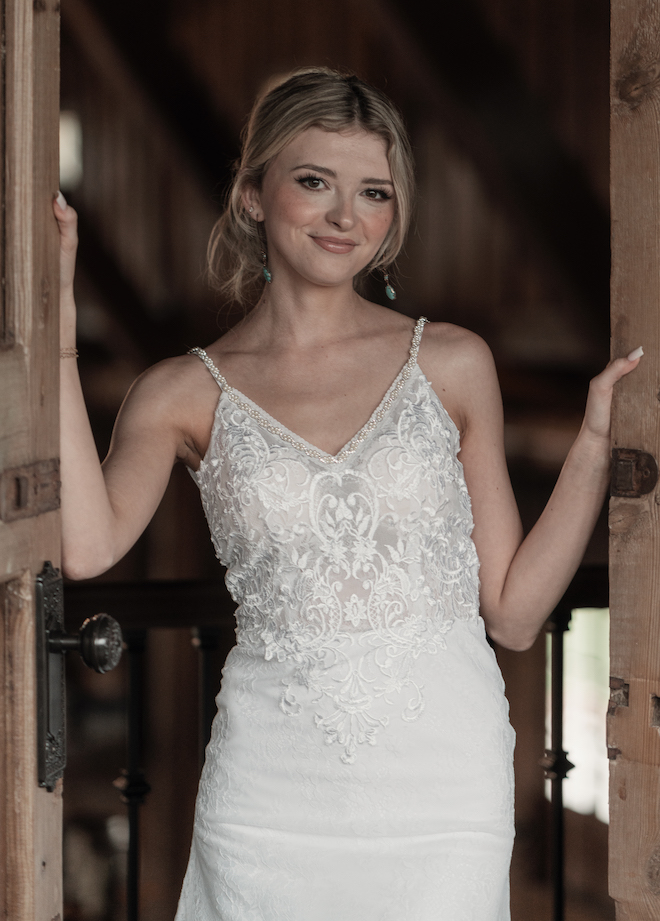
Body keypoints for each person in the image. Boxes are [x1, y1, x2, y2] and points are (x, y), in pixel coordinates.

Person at [54, 67, 641, 921]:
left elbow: (514, 613)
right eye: (314, 182)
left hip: (442, 790)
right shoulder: (181, 392)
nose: (345, 217)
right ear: (253, 193)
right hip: (270, 794)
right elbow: (85, 543)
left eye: (374, 192)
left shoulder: (453, 362)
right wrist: (57, 329)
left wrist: (591, 445)